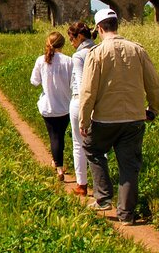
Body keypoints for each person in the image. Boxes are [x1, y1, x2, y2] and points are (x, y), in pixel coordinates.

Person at [79, 9, 159, 226]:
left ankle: (103, 198)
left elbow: (88, 92)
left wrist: (84, 121)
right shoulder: (137, 50)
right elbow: (153, 83)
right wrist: (153, 108)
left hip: (105, 119)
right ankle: (127, 215)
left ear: (99, 28)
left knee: (93, 149)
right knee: (129, 165)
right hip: (134, 118)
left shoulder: (96, 54)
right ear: (116, 25)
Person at [31, 31, 73, 181]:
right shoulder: (69, 61)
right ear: (62, 44)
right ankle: (58, 163)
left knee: (54, 136)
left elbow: (34, 82)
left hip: (48, 106)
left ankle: (59, 168)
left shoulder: (41, 60)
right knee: (60, 136)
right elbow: (73, 83)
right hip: (66, 106)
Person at [67, 22, 97, 196]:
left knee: (79, 144)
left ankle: (82, 185)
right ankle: (102, 183)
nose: (71, 43)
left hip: (81, 102)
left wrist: (84, 112)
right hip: (99, 103)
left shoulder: (78, 56)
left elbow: (81, 84)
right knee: (99, 145)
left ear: (79, 37)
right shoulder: (99, 50)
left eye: (72, 39)